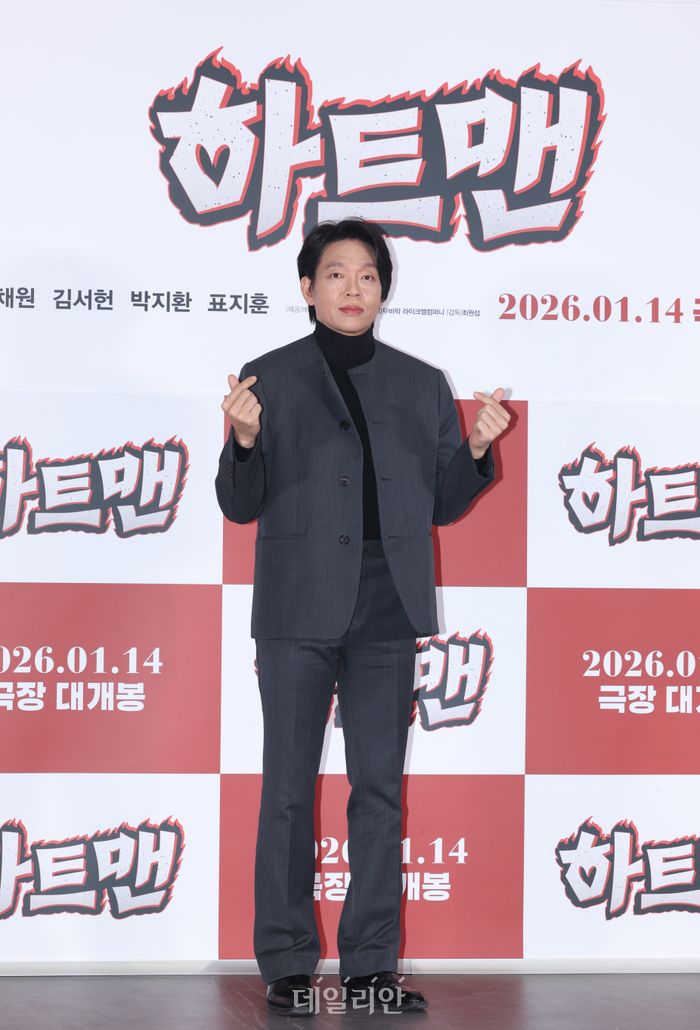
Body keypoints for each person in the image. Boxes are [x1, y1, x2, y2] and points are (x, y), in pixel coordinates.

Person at [215, 218, 509, 1017]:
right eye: (337, 274)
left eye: (369, 275)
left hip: (389, 606)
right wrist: (245, 439)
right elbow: (238, 503)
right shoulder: (268, 378)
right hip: (297, 608)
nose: (354, 288)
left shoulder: (421, 383)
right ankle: (285, 962)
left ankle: (371, 967)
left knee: (378, 791)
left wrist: (476, 451)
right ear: (307, 288)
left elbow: (442, 502)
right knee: (287, 788)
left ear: (384, 290)